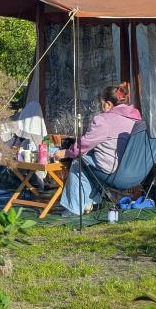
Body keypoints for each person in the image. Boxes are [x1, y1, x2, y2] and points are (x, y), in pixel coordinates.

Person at [58, 83, 141, 216]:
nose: (101, 108)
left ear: (108, 104)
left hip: (113, 172)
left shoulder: (104, 120)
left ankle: (74, 208)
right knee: (89, 162)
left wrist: (66, 152)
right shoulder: (136, 120)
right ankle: (87, 203)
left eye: (102, 105)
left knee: (77, 162)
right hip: (135, 172)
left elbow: (83, 145)